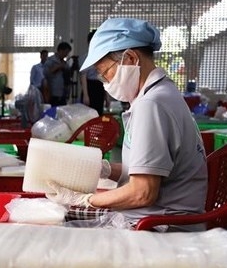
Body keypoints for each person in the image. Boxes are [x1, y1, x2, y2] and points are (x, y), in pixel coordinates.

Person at [45, 18, 208, 232]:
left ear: (130, 58)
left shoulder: (152, 104)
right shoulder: (158, 95)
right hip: (154, 219)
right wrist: (104, 169)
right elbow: (148, 171)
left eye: (106, 73)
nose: (105, 83)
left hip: (160, 229)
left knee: (53, 231)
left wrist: (86, 199)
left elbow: (143, 192)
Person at [80, 30, 109, 115]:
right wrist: (85, 95)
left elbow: (102, 77)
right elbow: (83, 77)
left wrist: (107, 96)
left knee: (99, 114)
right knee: (88, 115)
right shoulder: (85, 58)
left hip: (99, 87)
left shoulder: (102, 57)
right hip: (89, 87)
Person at [43, 42, 72, 106]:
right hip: (53, 94)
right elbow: (45, 73)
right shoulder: (50, 60)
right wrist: (58, 67)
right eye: (66, 52)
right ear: (61, 51)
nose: (66, 55)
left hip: (63, 93)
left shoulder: (65, 62)